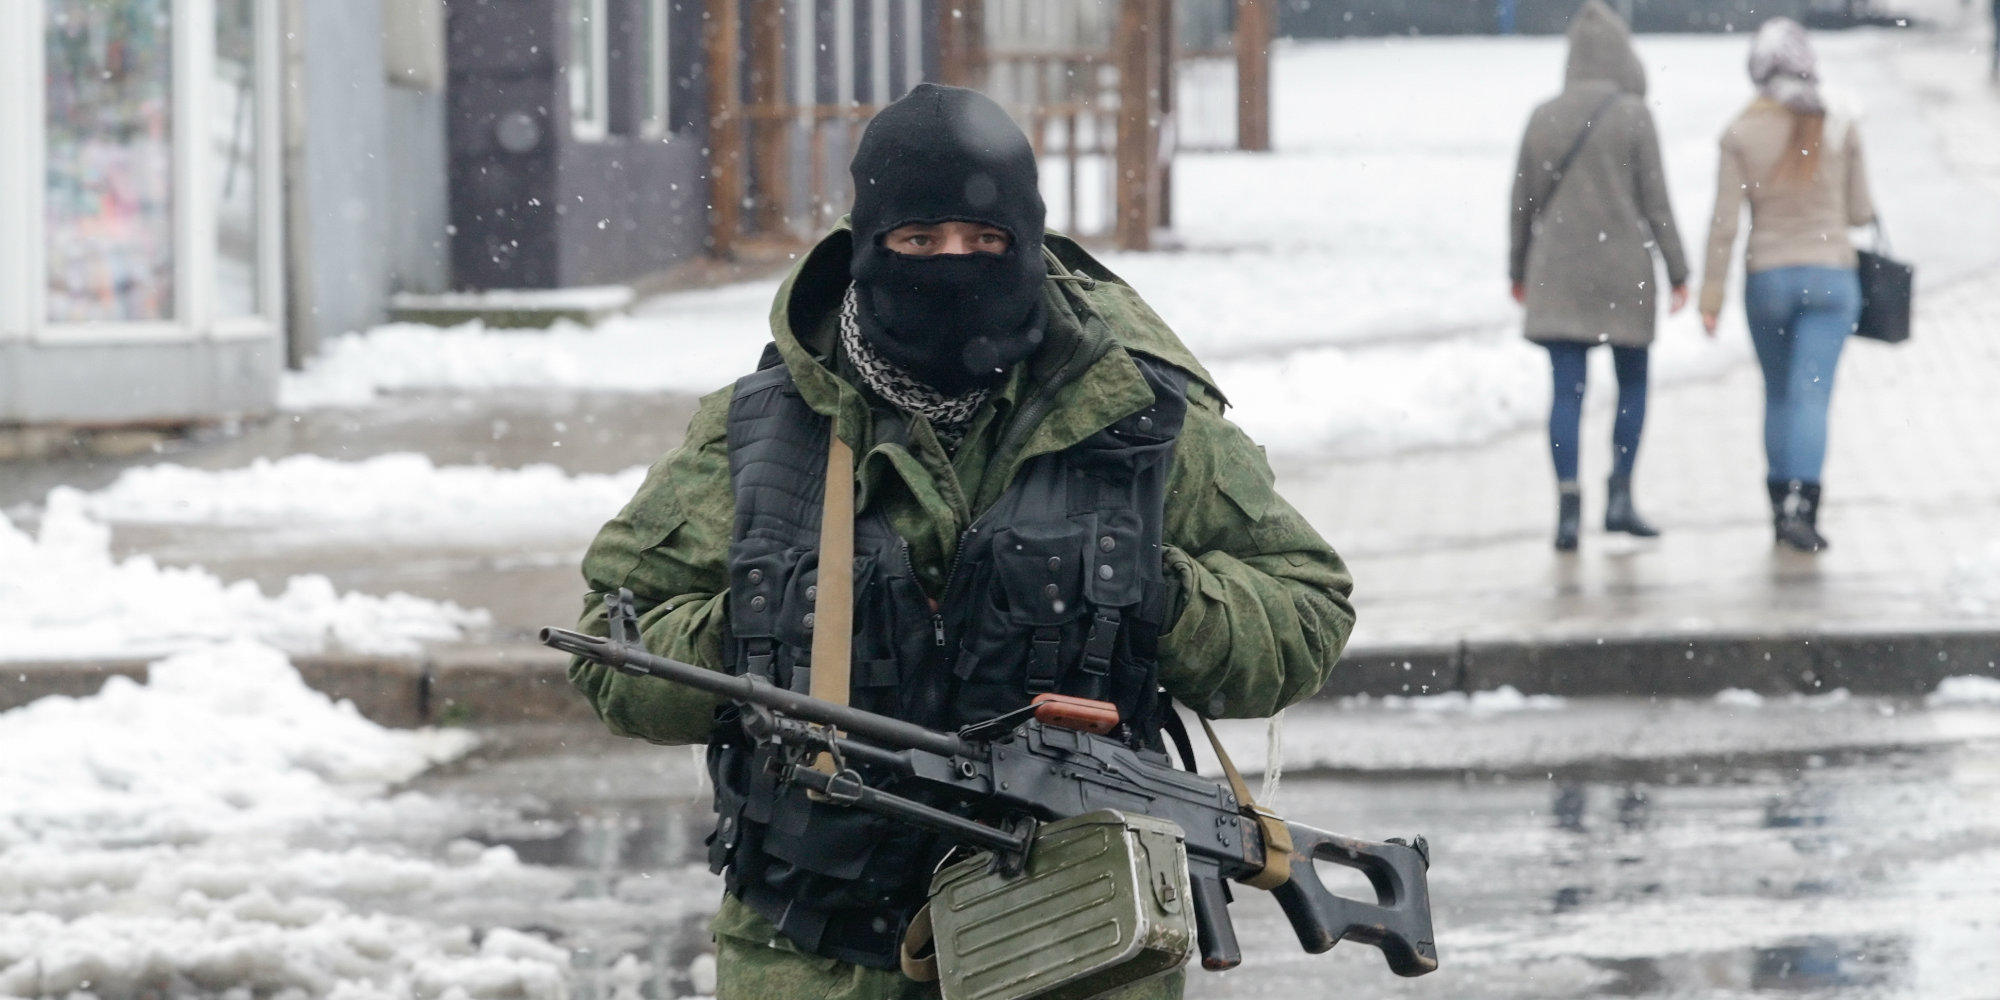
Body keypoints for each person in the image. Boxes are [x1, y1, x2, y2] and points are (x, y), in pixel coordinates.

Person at [566, 83, 1354, 1000]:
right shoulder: (768, 429)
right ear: (869, 249)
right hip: (814, 955)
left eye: (988, 244)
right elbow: (610, 652)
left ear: (1028, 241)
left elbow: (1307, 614)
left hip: (1075, 947)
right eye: (920, 241)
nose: (956, 266)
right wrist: (763, 624)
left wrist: (1152, 591)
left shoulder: (1132, 414)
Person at [1509, 0, 1690, 552]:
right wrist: (1679, 271)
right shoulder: (1634, 115)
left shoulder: (1544, 116)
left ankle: (1568, 509)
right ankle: (1620, 497)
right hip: (1624, 276)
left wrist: (1517, 269)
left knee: (1567, 394)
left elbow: (1522, 205)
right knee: (1631, 385)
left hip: (1558, 276)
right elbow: (1656, 204)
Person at [1698, 17, 1875, 553]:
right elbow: (1861, 210)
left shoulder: (1739, 131)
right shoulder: (1839, 121)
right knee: (1812, 398)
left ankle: (1779, 511)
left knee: (1777, 395)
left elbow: (1724, 224)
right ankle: (1806, 508)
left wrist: (1710, 297)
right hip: (1832, 279)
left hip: (1768, 280)